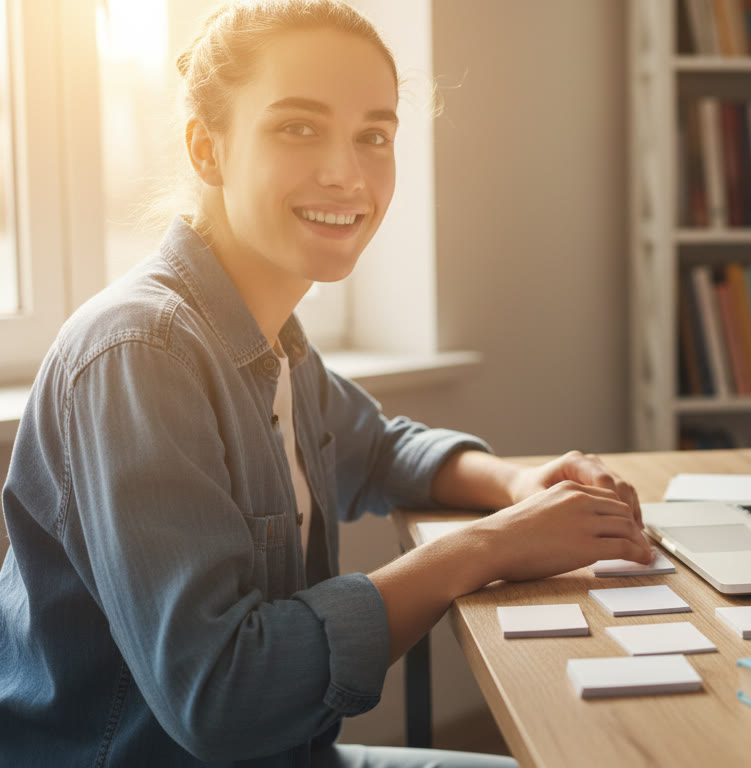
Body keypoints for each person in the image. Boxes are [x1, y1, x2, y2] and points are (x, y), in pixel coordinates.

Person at [0, 1, 653, 765]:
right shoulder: (143, 353)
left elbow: (376, 449)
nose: (347, 172)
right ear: (207, 149)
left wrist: (518, 482)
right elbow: (224, 697)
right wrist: (489, 548)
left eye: (374, 135)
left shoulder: (266, 330)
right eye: (298, 127)